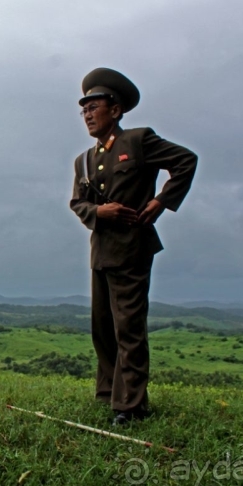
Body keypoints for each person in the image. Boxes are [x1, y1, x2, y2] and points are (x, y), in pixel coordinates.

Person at [69, 68, 197, 426]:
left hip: (132, 248)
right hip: (101, 252)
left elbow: (186, 161)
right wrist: (99, 211)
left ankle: (130, 405)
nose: (88, 115)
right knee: (103, 327)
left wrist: (161, 202)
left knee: (129, 326)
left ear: (116, 109)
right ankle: (109, 391)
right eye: (84, 110)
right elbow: (77, 203)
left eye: (94, 107)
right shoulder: (83, 160)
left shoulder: (139, 141)